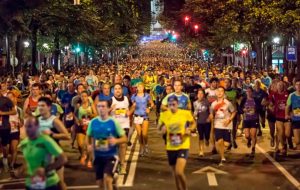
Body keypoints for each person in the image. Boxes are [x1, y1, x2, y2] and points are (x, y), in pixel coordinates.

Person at [87, 100, 127, 190]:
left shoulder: (113, 122)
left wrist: (116, 141)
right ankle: (114, 182)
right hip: (98, 157)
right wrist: (89, 147)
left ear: (108, 108)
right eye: (99, 106)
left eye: (103, 106)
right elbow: (89, 136)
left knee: (107, 179)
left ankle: (112, 180)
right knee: (100, 184)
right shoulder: (93, 122)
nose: (101, 109)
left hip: (111, 156)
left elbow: (124, 138)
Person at [17, 116, 67, 190]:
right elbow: (28, 161)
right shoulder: (24, 143)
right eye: (26, 126)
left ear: (37, 127)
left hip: (49, 183)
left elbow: (63, 159)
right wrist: (20, 170)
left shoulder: (46, 140)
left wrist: (46, 169)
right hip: (31, 183)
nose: (27, 129)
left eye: (30, 126)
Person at [158, 95, 196, 190]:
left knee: (179, 171)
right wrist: (162, 129)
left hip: (183, 145)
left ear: (177, 104)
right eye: (170, 104)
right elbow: (158, 129)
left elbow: (193, 123)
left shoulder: (185, 113)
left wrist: (190, 129)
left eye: (173, 104)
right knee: (175, 173)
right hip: (170, 146)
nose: (172, 106)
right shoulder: (164, 115)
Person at [210, 87, 236, 166]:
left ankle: (228, 144)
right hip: (218, 124)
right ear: (216, 93)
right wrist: (211, 116)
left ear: (224, 93)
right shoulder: (213, 104)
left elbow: (234, 112)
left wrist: (229, 120)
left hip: (227, 125)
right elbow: (212, 113)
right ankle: (222, 158)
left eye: (221, 91)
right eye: (218, 91)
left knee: (226, 144)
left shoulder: (228, 103)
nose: (219, 92)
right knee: (219, 141)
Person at [111, 84, 132, 174]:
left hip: (124, 125)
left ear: (122, 90)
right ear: (113, 91)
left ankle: (122, 165)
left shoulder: (127, 99)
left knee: (123, 145)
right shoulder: (110, 100)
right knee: (114, 146)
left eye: (119, 88)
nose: (117, 90)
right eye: (115, 89)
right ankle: (116, 162)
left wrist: (129, 111)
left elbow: (131, 107)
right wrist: (110, 109)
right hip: (114, 126)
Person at [131, 83, 154, 156]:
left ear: (143, 88)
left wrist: (149, 108)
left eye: (141, 87)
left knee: (144, 134)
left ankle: (146, 145)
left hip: (145, 116)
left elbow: (152, 104)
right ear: (137, 88)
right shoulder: (133, 96)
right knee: (139, 133)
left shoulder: (147, 95)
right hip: (137, 116)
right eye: (138, 87)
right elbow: (132, 106)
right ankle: (141, 148)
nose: (140, 88)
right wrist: (133, 107)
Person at [76, 91, 97, 168]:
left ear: (88, 97)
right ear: (80, 97)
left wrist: (91, 114)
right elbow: (75, 115)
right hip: (81, 126)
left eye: (85, 96)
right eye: (82, 96)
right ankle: (84, 155)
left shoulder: (91, 105)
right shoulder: (78, 105)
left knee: (90, 145)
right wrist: (78, 121)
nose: (84, 98)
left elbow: (96, 115)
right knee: (80, 144)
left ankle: (90, 160)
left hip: (90, 126)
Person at [7, 91, 23, 172]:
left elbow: (22, 122)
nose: (9, 99)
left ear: (14, 98)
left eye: (11, 97)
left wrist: (20, 123)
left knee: (14, 148)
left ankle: (12, 165)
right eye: (8, 97)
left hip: (15, 131)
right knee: (6, 149)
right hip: (5, 132)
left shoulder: (19, 109)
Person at [272, 81, 290, 155]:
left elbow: (290, 104)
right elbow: (270, 103)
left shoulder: (287, 94)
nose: (280, 87)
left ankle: (284, 143)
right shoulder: (274, 95)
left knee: (287, 134)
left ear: (283, 86)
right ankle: (283, 146)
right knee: (280, 132)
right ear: (277, 86)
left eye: (281, 85)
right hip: (278, 116)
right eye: (278, 85)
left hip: (286, 116)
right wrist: (270, 107)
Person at [240, 87, 259, 157]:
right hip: (246, 119)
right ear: (246, 92)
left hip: (254, 119)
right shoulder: (244, 100)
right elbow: (240, 108)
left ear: (252, 92)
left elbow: (259, 108)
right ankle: (249, 140)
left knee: (253, 134)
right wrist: (243, 110)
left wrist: (255, 109)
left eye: (250, 91)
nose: (249, 93)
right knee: (247, 135)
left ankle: (253, 149)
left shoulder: (256, 100)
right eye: (247, 91)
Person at [0, 90, 16, 172]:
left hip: (4, 126)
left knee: (5, 146)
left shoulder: (6, 100)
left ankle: (5, 159)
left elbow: (14, 111)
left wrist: (3, 113)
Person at [193, 89, 210, 157]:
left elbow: (210, 111)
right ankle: (201, 151)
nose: (200, 95)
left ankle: (207, 140)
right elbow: (194, 112)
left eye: (201, 93)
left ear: (203, 95)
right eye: (199, 93)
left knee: (207, 136)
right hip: (199, 122)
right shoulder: (195, 103)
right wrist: (194, 115)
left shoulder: (207, 102)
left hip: (207, 122)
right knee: (200, 136)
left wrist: (210, 117)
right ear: (197, 95)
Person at [286, 78, 300, 150]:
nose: (299, 86)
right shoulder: (291, 95)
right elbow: (287, 106)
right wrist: (287, 115)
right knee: (297, 141)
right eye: (297, 85)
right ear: (295, 86)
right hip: (295, 119)